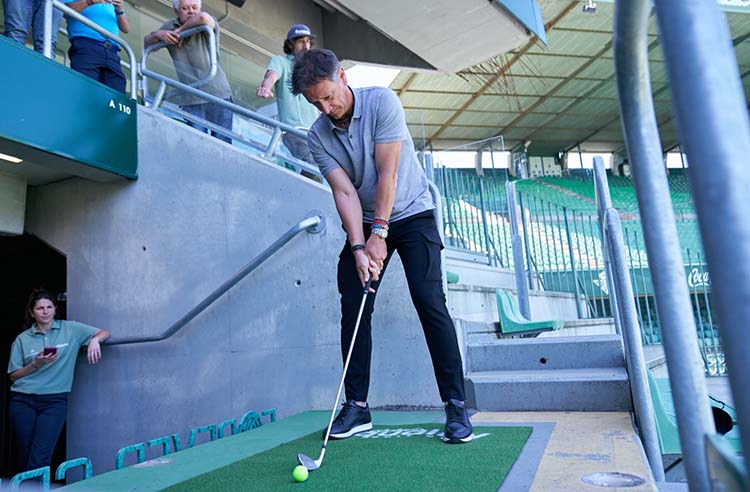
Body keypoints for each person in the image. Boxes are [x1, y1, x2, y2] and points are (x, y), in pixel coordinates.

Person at [291, 49, 474, 444]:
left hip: (411, 212)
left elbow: (388, 172)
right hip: (368, 219)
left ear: (342, 76)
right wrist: (359, 248)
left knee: (428, 299)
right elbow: (344, 192)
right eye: (315, 103)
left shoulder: (382, 102)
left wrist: (380, 233)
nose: (325, 108)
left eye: (328, 96)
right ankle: (357, 407)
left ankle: (456, 405)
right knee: (354, 300)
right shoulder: (317, 135)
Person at [7, 289, 111, 472]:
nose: (45, 311)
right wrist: (36, 364)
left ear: (55, 309)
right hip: (22, 400)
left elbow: (104, 332)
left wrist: (95, 341)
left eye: (49, 307)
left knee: (40, 456)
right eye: (40, 308)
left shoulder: (71, 329)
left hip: (53, 402)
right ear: (32, 312)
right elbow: (13, 375)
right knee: (24, 453)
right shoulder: (22, 339)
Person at [144, 0, 233, 144]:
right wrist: (158, 34)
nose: (191, 11)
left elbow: (203, 18)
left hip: (219, 95)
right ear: (176, 11)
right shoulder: (169, 27)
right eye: (185, 8)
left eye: (194, 7)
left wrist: (179, 33)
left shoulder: (204, 22)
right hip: (191, 99)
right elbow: (146, 43)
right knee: (196, 145)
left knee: (223, 147)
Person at [256, 24, 320, 180]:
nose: (306, 45)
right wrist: (266, 87)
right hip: (293, 131)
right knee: (312, 166)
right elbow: (272, 76)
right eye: (300, 41)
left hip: (315, 133)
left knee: (327, 169)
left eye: (308, 41)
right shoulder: (280, 61)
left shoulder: (313, 70)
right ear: (291, 44)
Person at [64, 0, 130, 93]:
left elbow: (126, 28)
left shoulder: (111, 4)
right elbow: (65, 12)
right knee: (85, 91)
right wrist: (91, 1)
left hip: (112, 51)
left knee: (117, 96)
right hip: (87, 45)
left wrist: (119, 9)